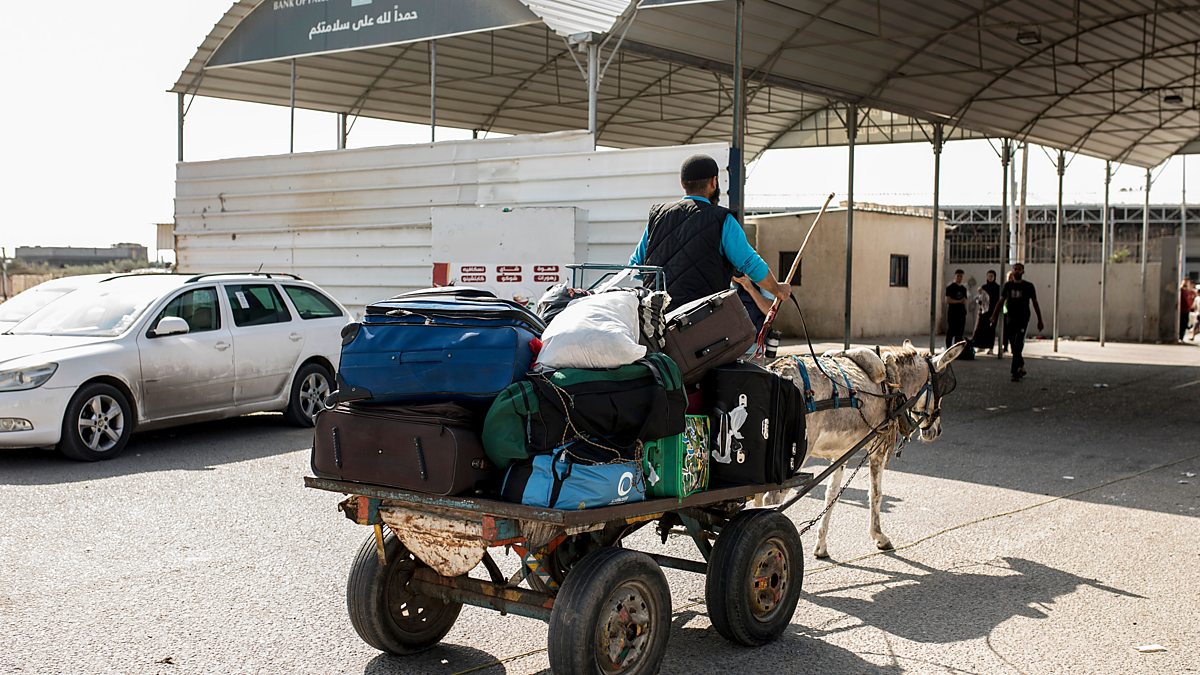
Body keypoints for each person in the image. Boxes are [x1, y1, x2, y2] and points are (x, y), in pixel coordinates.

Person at [629, 154, 790, 308]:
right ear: (714, 182)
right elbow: (751, 264)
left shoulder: (658, 216)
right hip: (701, 322)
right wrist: (777, 290)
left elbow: (635, 267)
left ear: (683, 183)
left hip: (656, 321)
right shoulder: (721, 219)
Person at [990, 263, 1043, 382]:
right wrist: (994, 315)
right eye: (1015, 269)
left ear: (1023, 271)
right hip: (1010, 318)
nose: (1017, 271)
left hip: (1023, 318)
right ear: (1012, 271)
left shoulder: (1028, 286)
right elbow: (1001, 301)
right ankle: (1021, 365)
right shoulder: (1008, 286)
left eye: (1019, 269)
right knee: (1013, 345)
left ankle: (1015, 372)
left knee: (1018, 343)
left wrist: (1040, 319)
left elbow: (1035, 302)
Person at [972, 270, 1000, 354]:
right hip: (983, 312)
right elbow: (979, 299)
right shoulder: (983, 287)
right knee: (980, 328)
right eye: (989, 276)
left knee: (991, 330)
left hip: (993, 311)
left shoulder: (997, 288)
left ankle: (990, 348)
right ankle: (981, 346)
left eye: (992, 276)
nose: (990, 277)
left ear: (994, 277)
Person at [945, 269, 968, 350]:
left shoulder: (963, 289)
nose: (959, 278)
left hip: (961, 313)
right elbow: (948, 300)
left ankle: (956, 350)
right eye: (958, 276)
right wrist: (958, 301)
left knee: (959, 333)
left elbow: (965, 300)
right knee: (951, 331)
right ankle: (948, 348)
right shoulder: (950, 287)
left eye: (961, 276)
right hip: (952, 313)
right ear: (955, 276)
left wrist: (962, 303)